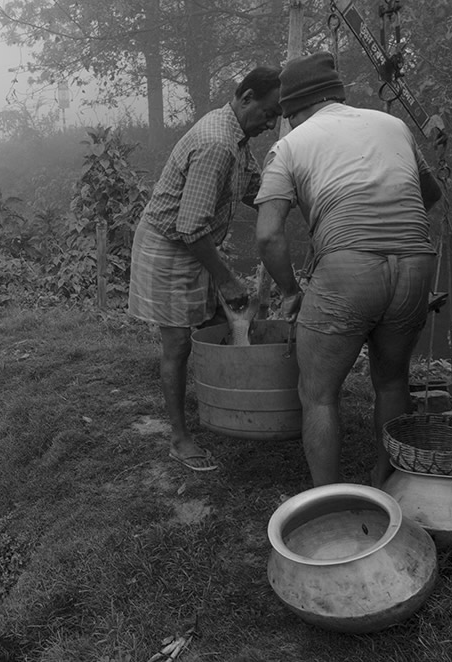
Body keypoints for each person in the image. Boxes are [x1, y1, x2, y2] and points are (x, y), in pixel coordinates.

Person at [254, 52, 442, 487]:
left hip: (348, 269)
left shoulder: (291, 145)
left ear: (292, 109)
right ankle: (389, 486)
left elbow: (267, 235)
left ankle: (329, 501)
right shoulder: (391, 125)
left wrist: (290, 291)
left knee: (318, 395)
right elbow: (429, 193)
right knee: (393, 382)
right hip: (415, 259)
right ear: (336, 94)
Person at [128, 66, 282, 472]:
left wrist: (297, 197)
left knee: (220, 323)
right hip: (169, 244)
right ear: (245, 97)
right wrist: (226, 277)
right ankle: (180, 440)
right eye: (267, 113)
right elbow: (190, 227)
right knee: (178, 342)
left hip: (192, 240)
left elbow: (253, 190)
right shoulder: (217, 143)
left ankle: (230, 410)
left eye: (277, 116)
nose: (271, 123)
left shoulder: (238, 137)